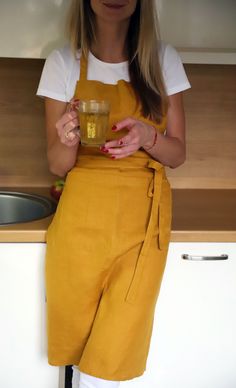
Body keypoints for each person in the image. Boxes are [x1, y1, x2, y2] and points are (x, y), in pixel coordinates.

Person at [37, 1, 190, 387]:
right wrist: (67, 137)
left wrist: (148, 136)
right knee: (77, 352)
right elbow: (57, 165)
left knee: (111, 361)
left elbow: (178, 153)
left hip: (140, 230)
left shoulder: (162, 60)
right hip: (80, 228)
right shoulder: (63, 62)